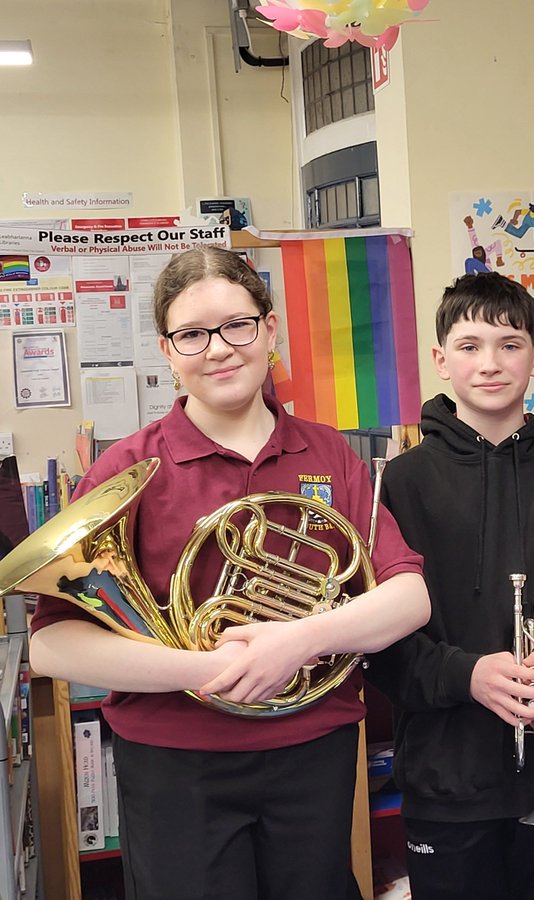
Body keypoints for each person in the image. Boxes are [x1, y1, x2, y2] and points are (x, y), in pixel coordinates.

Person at [27, 245, 431, 900]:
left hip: (313, 750)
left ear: (269, 331)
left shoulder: (327, 451)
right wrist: (207, 671)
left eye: (237, 325)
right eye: (192, 334)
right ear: (167, 349)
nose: (218, 348)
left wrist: (295, 643)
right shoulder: (128, 472)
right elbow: (50, 643)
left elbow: (408, 597)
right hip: (175, 764)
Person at [365, 271, 534, 900]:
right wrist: (466, 675)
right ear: (440, 360)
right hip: (444, 776)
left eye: (510, 344)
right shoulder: (400, 484)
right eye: (469, 347)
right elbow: (377, 638)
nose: (490, 363)